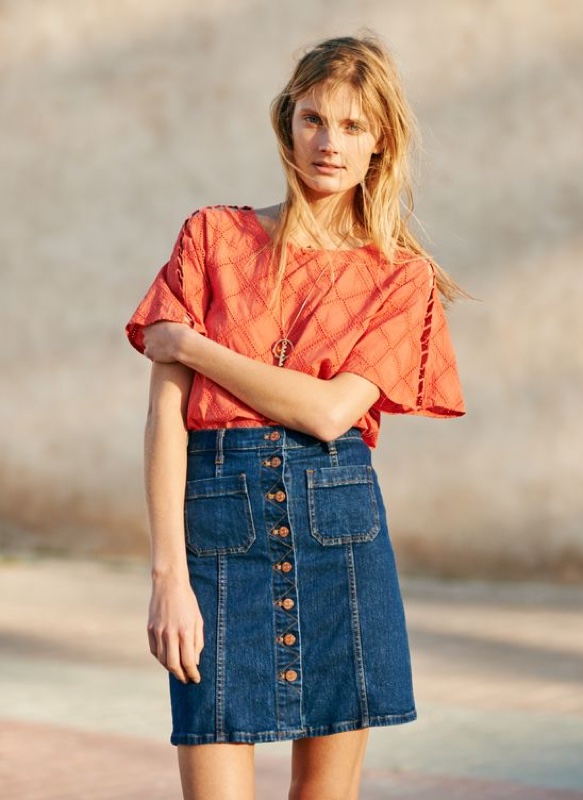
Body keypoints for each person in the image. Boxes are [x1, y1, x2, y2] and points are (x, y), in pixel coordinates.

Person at [125, 33, 465, 800]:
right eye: (314, 120)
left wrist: (191, 345)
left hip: (339, 535)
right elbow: (166, 417)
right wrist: (167, 576)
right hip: (216, 529)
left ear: (380, 144)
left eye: (352, 128)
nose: (329, 144)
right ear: (287, 122)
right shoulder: (211, 237)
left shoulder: (398, 275)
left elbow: (327, 412)